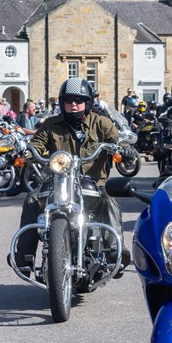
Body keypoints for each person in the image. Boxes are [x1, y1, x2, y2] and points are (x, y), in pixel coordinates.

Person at [13, 77, 123, 270]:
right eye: (69, 100)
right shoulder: (51, 124)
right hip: (58, 181)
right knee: (31, 199)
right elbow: (37, 143)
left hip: (92, 183)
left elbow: (118, 139)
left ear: (87, 103)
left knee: (108, 202)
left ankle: (115, 254)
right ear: (62, 103)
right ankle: (25, 257)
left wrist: (123, 148)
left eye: (79, 101)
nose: (74, 104)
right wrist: (28, 151)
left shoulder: (102, 123)